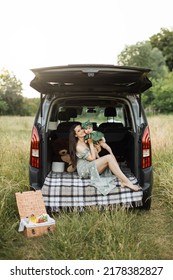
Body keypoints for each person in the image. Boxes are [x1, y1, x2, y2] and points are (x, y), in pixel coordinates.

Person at [69, 123, 141, 195]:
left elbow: (96, 151)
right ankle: (126, 182)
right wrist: (91, 144)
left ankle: (122, 179)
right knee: (109, 157)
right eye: (78, 131)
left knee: (111, 157)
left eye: (81, 128)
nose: (82, 131)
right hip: (85, 170)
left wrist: (97, 146)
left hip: (91, 164)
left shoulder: (87, 138)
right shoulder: (78, 146)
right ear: (76, 135)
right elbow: (92, 158)